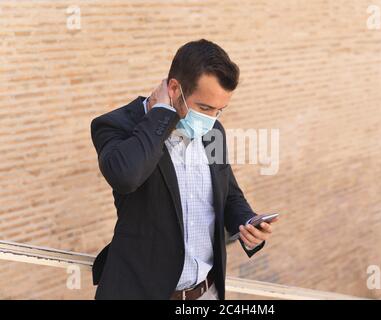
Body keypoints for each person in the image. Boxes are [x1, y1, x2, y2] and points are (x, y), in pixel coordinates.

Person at [90, 39, 278, 300]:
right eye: (204, 108)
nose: (211, 119)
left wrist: (247, 224)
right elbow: (125, 176)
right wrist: (161, 114)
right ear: (174, 88)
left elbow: (229, 194)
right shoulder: (116, 125)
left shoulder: (213, 132)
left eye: (219, 110)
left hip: (206, 293)